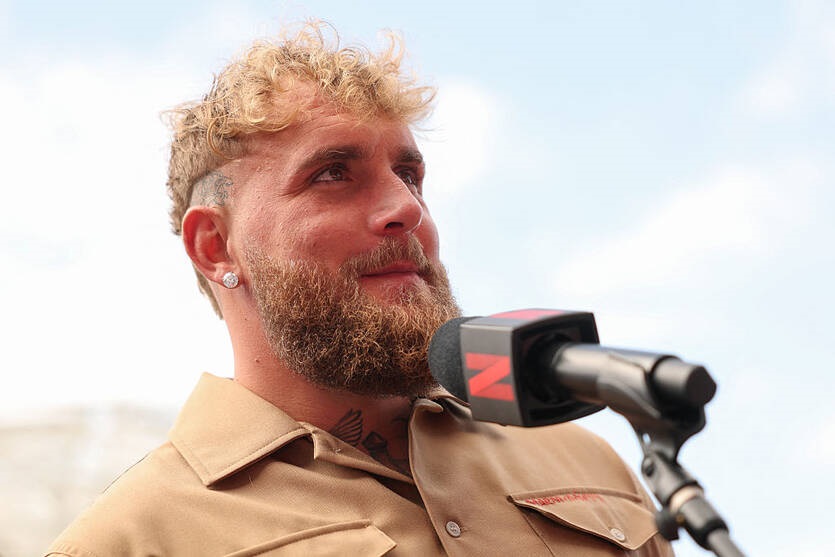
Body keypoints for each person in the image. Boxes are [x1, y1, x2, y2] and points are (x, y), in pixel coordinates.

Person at [47, 21, 673, 556]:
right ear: (216, 246)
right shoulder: (132, 539)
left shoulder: (587, 464)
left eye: (409, 174)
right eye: (333, 174)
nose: (406, 208)